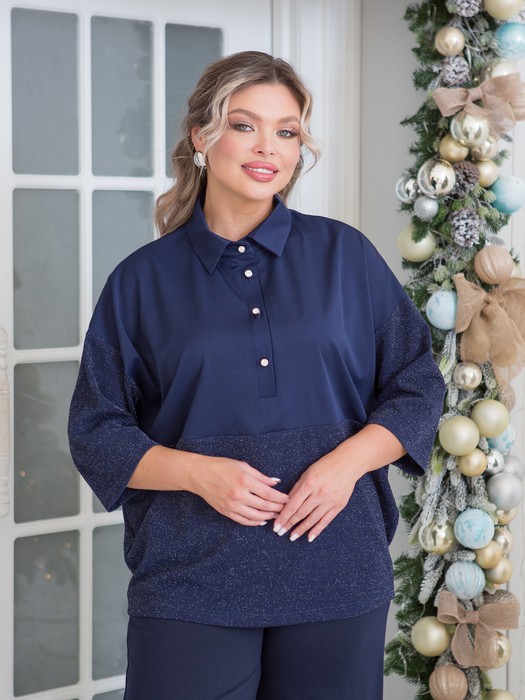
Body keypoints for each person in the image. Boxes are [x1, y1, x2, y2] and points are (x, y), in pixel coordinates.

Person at [68, 51, 445, 699]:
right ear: (201, 137)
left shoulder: (345, 256)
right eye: (244, 125)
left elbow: (417, 383)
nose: (268, 146)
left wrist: (344, 465)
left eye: (287, 131)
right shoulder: (141, 281)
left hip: (335, 569)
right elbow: (96, 430)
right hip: (190, 580)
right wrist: (198, 473)